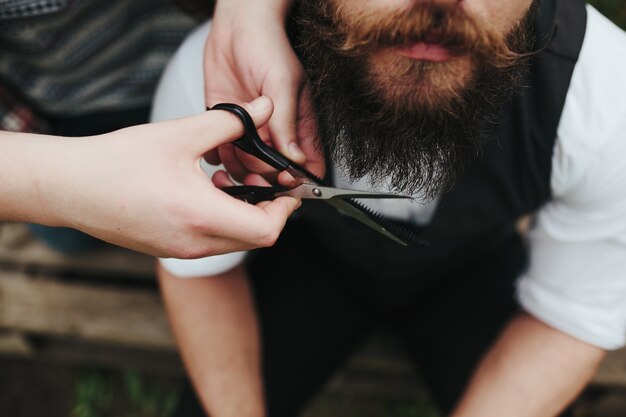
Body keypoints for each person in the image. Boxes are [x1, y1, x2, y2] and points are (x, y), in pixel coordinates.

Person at [156, 0, 626, 416]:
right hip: (310, 257)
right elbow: (202, 269)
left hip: (470, 268)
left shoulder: (605, 98)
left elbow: (573, 312)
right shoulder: (224, 80)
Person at [0, 0, 301, 257]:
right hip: (58, 117)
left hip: (207, 66)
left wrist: (249, 12)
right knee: (71, 238)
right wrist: (56, 187)